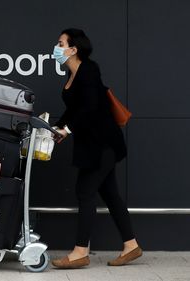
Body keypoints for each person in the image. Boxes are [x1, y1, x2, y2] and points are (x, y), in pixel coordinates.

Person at [50, 28, 142, 269]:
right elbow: (74, 109)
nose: (56, 47)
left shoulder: (89, 70)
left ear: (73, 49)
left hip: (103, 144)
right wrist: (57, 127)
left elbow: (90, 107)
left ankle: (81, 251)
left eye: (60, 43)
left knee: (85, 191)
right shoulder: (70, 75)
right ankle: (131, 245)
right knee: (110, 194)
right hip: (91, 145)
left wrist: (67, 130)